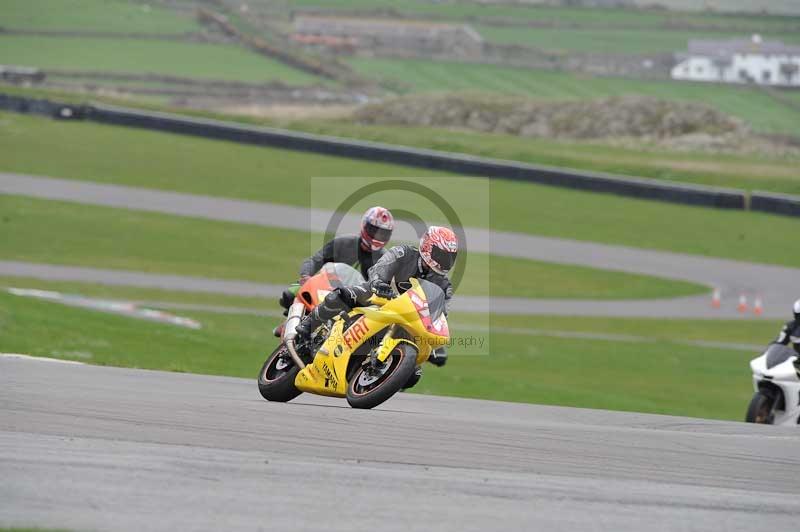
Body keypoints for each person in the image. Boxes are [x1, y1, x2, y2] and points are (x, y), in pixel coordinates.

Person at [294, 226, 458, 381]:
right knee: (342, 295)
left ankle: (373, 376)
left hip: (406, 319)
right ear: (428, 247)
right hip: (379, 295)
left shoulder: (444, 285)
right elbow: (380, 268)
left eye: (449, 258)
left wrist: (436, 342)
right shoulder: (404, 253)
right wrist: (379, 282)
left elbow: (441, 315)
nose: (444, 262)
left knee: (413, 374)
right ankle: (307, 326)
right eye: (441, 255)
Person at [273, 206, 394, 336]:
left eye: (382, 233)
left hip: (354, 301)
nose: (377, 236)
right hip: (325, 287)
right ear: (364, 225)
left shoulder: (385, 259)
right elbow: (314, 260)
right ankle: (289, 323)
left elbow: (387, 286)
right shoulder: (343, 243)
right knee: (290, 293)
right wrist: (306, 276)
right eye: (374, 230)